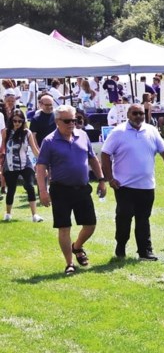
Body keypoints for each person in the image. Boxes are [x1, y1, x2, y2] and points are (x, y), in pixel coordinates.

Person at [100, 104, 164, 260]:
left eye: (141, 113)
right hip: (124, 186)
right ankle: (121, 246)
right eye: (135, 113)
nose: (138, 116)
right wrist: (110, 178)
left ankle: (145, 251)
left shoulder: (152, 130)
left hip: (146, 186)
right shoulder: (118, 132)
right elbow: (104, 154)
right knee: (124, 218)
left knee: (143, 219)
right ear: (128, 114)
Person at [35, 105, 107, 275]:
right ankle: (69, 263)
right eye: (67, 121)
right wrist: (43, 191)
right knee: (64, 227)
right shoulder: (49, 141)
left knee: (90, 224)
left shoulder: (82, 136)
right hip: (60, 190)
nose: (72, 124)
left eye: (74, 120)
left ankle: (77, 246)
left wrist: (102, 179)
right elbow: (40, 166)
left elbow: (92, 159)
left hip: (82, 188)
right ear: (57, 121)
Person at [2, 109, 43, 222]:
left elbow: (34, 149)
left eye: (20, 121)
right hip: (10, 165)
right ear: (11, 121)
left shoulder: (27, 132)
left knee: (30, 186)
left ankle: (35, 215)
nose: (17, 123)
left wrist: (43, 162)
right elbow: (3, 149)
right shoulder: (6, 132)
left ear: (23, 121)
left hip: (25, 163)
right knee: (11, 189)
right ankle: (8, 213)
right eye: (15, 121)